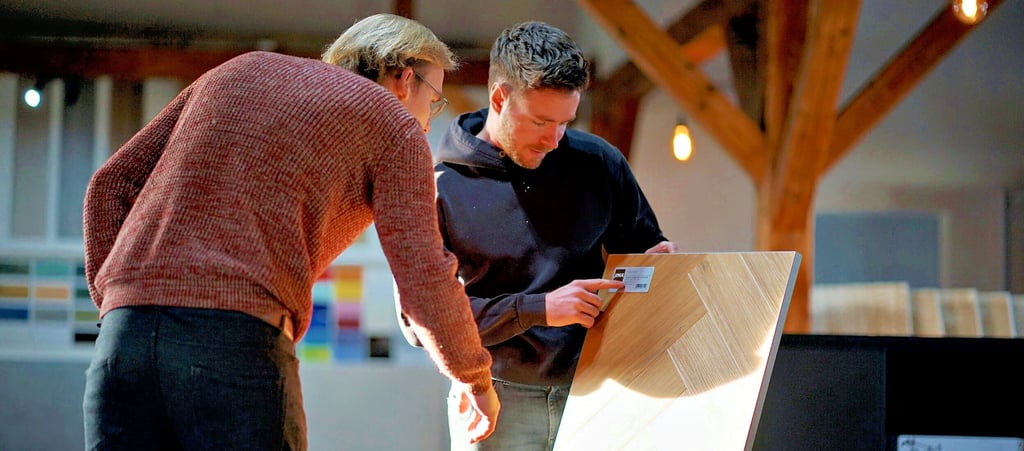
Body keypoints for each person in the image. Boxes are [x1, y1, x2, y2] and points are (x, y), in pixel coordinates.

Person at [82, 13, 498, 450]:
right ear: (403, 79)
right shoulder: (392, 122)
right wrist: (474, 378)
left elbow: (108, 185)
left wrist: (117, 304)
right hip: (234, 345)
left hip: (121, 342)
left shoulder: (240, 69)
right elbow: (423, 271)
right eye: (432, 99)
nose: (428, 122)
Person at [400, 21, 677, 450]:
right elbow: (422, 324)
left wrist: (660, 268)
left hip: (600, 392)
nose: (553, 140)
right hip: (493, 396)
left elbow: (641, 260)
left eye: (565, 122)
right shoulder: (441, 187)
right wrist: (540, 308)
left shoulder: (600, 163)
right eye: (540, 121)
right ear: (498, 98)